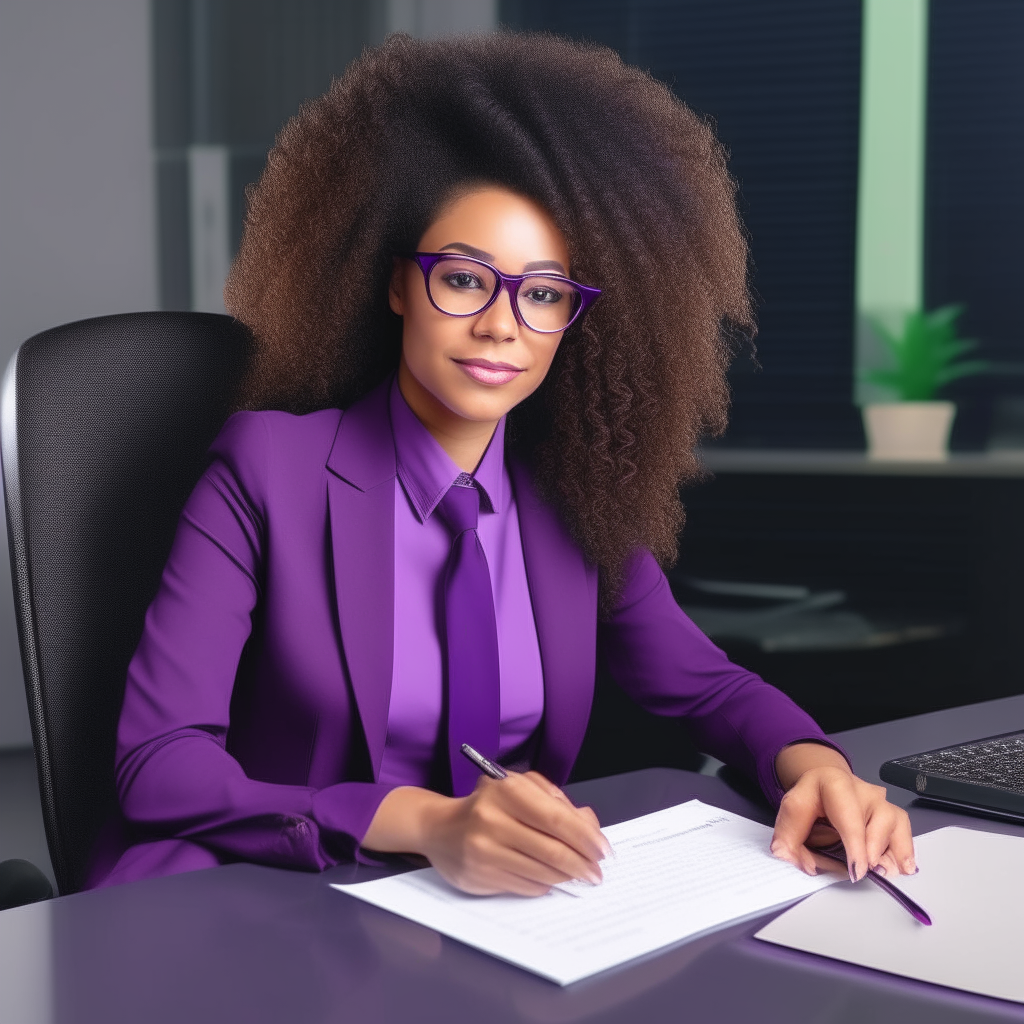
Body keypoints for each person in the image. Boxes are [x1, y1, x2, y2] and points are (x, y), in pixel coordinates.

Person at [88, 32, 914, 894]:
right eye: (463, 279)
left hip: (485, 920)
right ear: (397, 282)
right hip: (267, 887)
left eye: (545, 292)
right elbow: (160, 762)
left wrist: (813, 763)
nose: (501, 325)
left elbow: (705, 686)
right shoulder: (269, 468)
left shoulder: (572, 497)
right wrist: (429, 822)